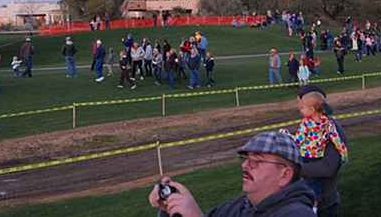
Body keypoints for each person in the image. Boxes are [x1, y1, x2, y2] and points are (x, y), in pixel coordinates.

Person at [149, 131, 315, 217]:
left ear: (284, 175)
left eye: (256, 161)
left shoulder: (297, 214)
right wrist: (172, 209)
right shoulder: (238, 206)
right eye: (245, 159)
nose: (244, 165)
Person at [284, 92, 348, 206]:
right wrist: (343, 153)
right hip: (317, 157)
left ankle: (311, 205)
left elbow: (298, 140)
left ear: (312, 109)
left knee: (308, 184)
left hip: (306, 158)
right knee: (313, 186)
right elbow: (336, 139)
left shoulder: (306, 123)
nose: (300, 109)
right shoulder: (327, 123)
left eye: (302, 107)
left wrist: (287, 136)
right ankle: (313, 204)